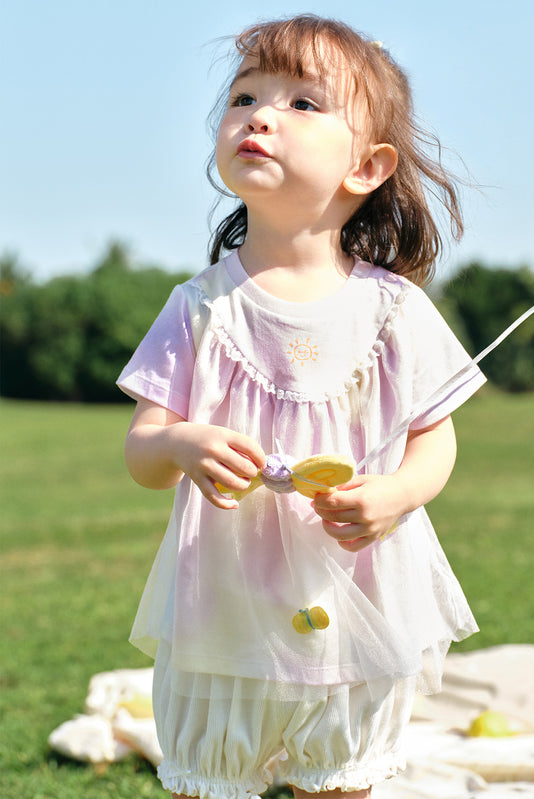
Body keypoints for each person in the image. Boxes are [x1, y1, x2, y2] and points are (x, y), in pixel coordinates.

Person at [117, 14, 486, 799]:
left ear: (367, 166)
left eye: (302, 103)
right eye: (245, 95)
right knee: (209, 774)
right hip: (222, 598)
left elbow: (435, 443)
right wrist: (181, 443)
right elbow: (142, 451)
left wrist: (395, 494)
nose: (260, 114)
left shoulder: (395, 312)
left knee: (340, 776)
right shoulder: (200, 307)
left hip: (354, 595)